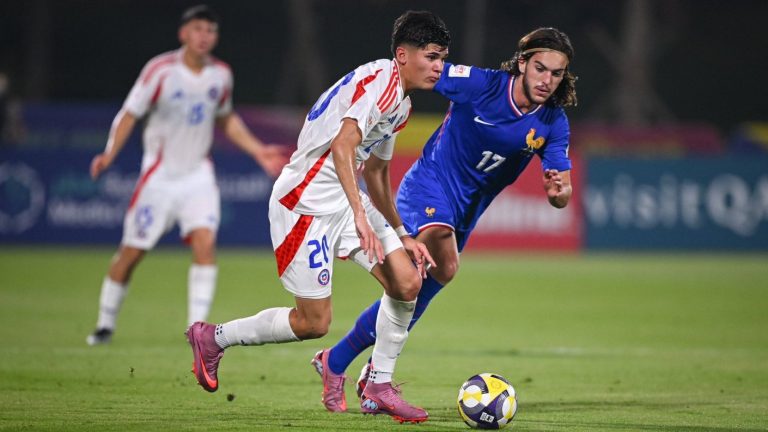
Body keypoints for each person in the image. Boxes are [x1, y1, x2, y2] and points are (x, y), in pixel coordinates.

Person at [185, 10, 450, 424]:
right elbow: (344, 146)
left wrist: (400, 231)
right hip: (303, 207)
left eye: (442, 58)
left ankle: (379, 385)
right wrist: (362, 219)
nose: (439, 67)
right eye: (431, 56)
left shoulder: (401, 104)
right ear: (402, 54)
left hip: (345, 201)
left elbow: (377, 172)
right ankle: (213, 338)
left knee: (407, 280)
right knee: (313, 322)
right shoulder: (382, 83)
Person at [311, 27, 577, 411]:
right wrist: (373, 101)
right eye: (540, 68)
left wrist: (559, 192)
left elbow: (561, 192)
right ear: (522, 63)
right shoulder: (483, 85)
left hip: (468, 209)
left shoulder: (553, 122)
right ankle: (374, 375)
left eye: (556, 74)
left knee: (423, 282)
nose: (546, 80)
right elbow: (425, 73)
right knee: (438, 255)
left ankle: (338, 360)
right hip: (429, 186)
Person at [85, 5, 286, 346]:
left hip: (198, 176)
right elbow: (130, 114)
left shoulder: (221, 74)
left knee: (205, 243)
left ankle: (198, 329)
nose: (204, 36)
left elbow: (226, 118)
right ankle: (105, 324)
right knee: (132, 253)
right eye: (198, 29)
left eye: (210, 30)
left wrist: (257, 150)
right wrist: (109, 153)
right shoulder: (160, 71)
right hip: (159, 177)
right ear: (184, 34)